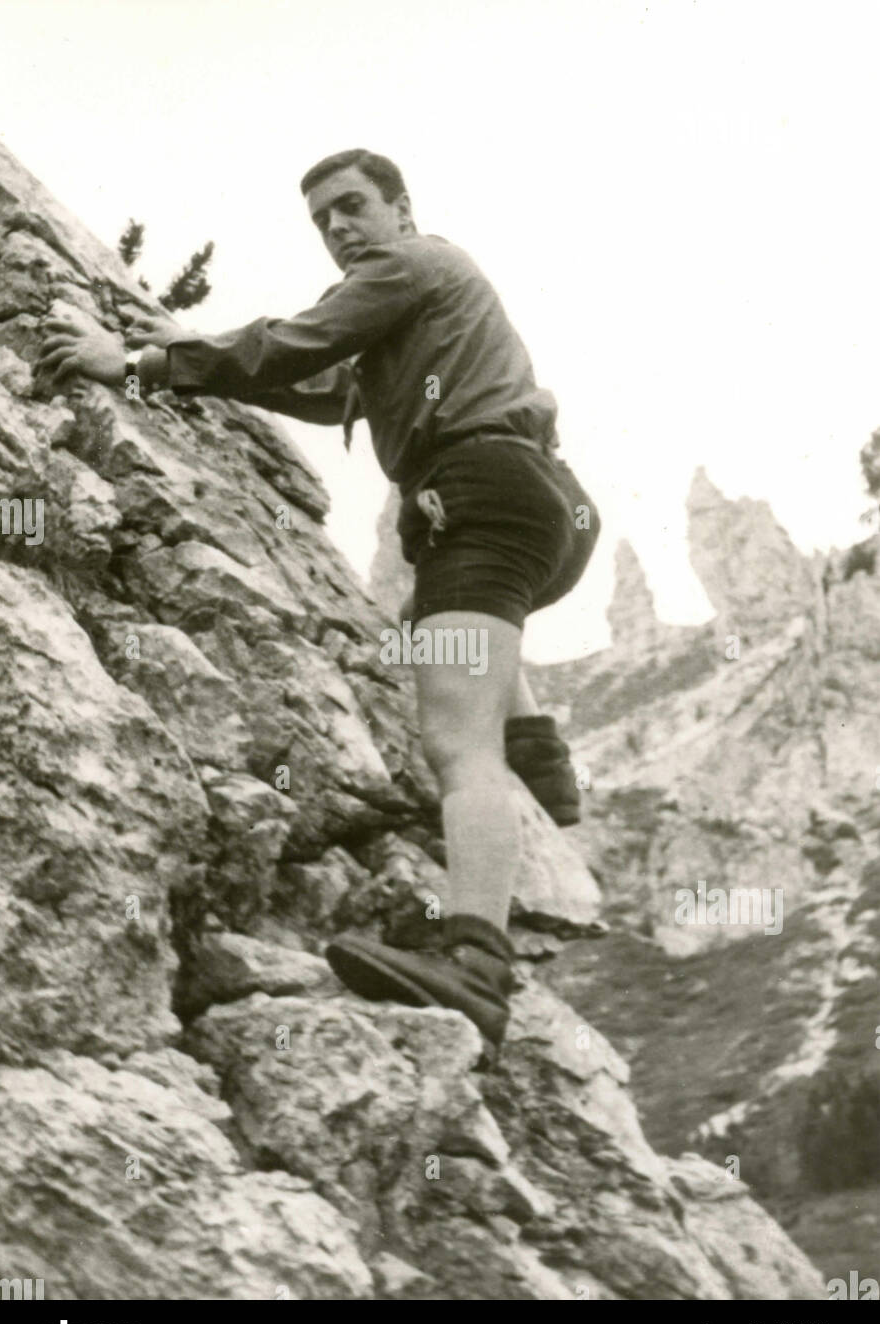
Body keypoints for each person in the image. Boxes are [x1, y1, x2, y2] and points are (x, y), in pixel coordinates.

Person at [38, 149, 601, 1052]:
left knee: (457, 747)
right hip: (540, 509)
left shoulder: (412, 264)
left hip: (483, 495)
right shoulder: (421, 309)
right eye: (323, 220)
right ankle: (541, 764)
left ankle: (477, 972)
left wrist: (136, 361)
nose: (338, 228)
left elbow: (295, 342)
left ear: (401, 209)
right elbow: (318, 383)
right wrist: (176, 345)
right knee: (444, 636)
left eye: (352, 206)